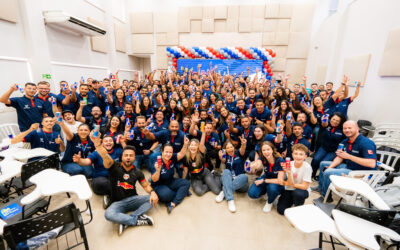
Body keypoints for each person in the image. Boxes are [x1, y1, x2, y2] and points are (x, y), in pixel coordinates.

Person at [91, 132, 158, 236]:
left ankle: (127, 221)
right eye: (126, 155)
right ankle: (136, 220)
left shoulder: (138, 172)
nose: (128, 157)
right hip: (117, 203)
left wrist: (153, 192)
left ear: (134, 157)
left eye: (131, 155)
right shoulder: (113, 166)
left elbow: (145, 185)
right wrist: (97, 145)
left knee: (153, 200)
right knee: (108, 214)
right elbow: (105, 156)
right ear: (122, 156)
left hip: (133, 199)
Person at [317, 121, 377, 200]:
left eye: (350, 128)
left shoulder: (366, 143)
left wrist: (349, 156)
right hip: (350, 167)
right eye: (345, 128)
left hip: (362, 173)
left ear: (357, 129)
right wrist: (330, 167)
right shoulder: (345, 142)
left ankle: (326, 197)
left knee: (329, 172)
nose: (347, 130)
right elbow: (340, 157)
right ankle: (321, 188)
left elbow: (372, 163)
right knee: (323, 164)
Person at [72, 135, 123, 208]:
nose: (108, 142)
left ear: (113, 143)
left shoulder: (119, 150)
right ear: (102, 144)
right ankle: (117, 196)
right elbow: (87, 161)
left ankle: (111, 197)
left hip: (115, 176)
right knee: (102, 184)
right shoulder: (96, 153)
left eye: (110, 141)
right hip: (100, 178)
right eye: (106, 141)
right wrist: (80, 161)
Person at [150, 139, 190, 214]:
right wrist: (158, 170)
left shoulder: (171, 157)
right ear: (162, 152)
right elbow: (154, 180)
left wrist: (185, 145)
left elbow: (181, 154)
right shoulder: (156, 162)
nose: (168, 154)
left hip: (170, 181)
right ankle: (181, 193)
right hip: (159, 185)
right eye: (166, 152)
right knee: (167, 196)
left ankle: (173, 203)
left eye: (170, 152)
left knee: (186, 183)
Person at [248, 142, 285, 213]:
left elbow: (280, 180)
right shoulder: (262, 157)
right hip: (267, 176)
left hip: (277, 180)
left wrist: (264, 180)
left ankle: (269, 202)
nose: (266, 152)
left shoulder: (280, 160)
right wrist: (251, 166)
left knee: (272, 188)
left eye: (268, 149)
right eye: (263, 150)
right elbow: (257, 164)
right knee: (252, 193)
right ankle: (267, 192)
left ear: (272, 150)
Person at [277, 144, 312, 215]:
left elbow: (305, 186)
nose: (298, 156)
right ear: (292, 155)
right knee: (281, 210)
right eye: (296, 154)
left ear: (305, 156)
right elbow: (283, 181)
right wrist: (289, 173)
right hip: (289, 189)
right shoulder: (289, 164)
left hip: (301, 190)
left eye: (301, 154)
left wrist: (290, 184)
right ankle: (290, 200)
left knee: (298, 194)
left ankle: (298, 207)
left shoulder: (307, 167)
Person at [216, 137, 249, 213]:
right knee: (226, 171)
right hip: (230, 180)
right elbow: (223, 162)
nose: (230, 149)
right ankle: (230, 200)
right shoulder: (226, 157)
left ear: (234, 148)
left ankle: (224, 192)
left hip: (241, 183)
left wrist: (243, 144)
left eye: (231, 147)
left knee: (245, 176)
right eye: (227, 148)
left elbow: (242, 150)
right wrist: (221, 158)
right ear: (226, 150)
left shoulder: (239, 153)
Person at [310, 112, 346, 180]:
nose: (334, 121)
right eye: (333, 119)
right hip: (324, 147)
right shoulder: (326, 124)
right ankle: (311, 174)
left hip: (333, 151)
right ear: (331, 118)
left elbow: (344, 142)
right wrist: (324, 120)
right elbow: (323, 124)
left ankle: (320, 178)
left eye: (337, 120)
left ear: (340, 122)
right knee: (316, 159)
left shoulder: (342, 130)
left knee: (324, 162)